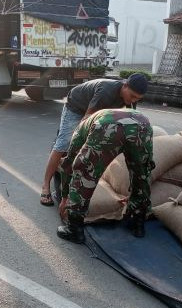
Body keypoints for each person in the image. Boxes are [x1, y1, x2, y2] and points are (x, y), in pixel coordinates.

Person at [39, 73, 148, 206]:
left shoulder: (130, 100)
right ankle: (45, 186)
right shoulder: (106, 92)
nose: (133, 101)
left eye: (138, 99)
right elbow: (86, 120)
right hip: (77, 106)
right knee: (65, 142)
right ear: (125, 85)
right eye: (132, 96)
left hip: (99, 111)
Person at [56, 108, 154, 244]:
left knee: (84, 173)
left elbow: (69, 165)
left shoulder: (79, 130)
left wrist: (65, 197)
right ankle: (138, 223)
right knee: (141, 174)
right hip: (142, 124)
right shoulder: (102, 115)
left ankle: (75, 230)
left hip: (106, 126)